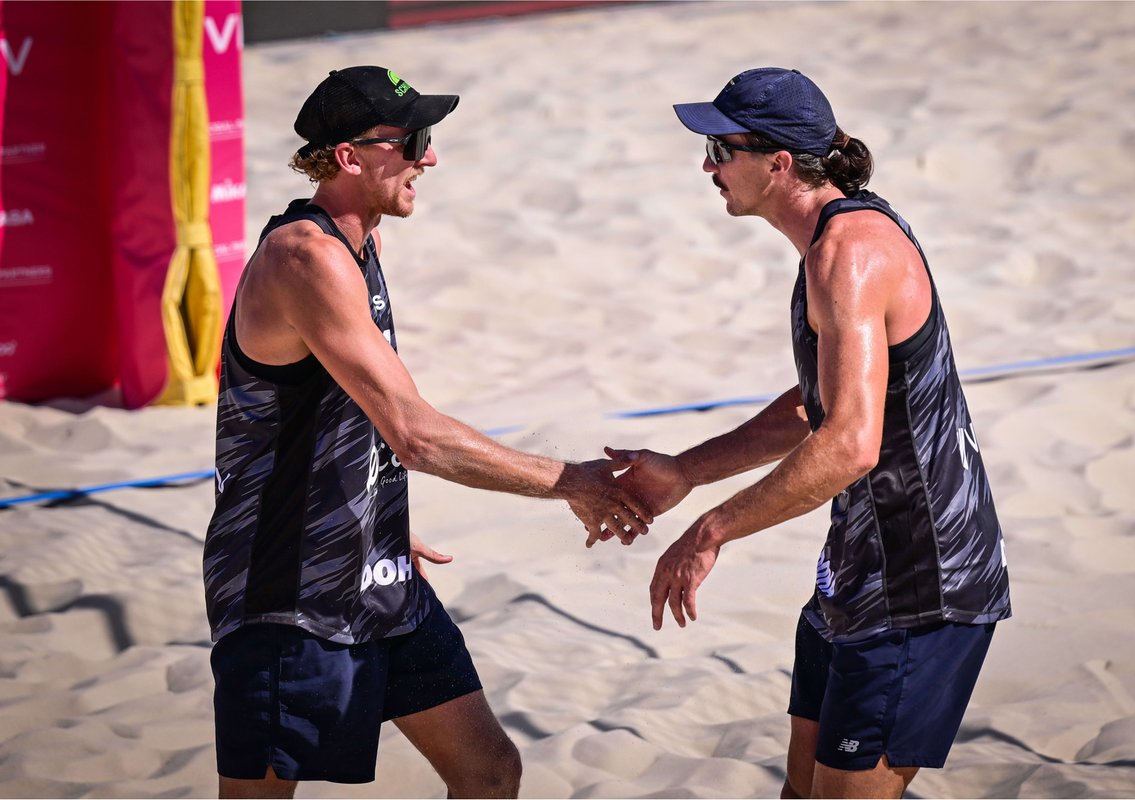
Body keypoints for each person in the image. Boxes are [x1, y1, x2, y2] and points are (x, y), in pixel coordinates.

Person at [201, 65, 651, 799]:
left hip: (374, 569)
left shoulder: (359, 243)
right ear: (349, 157)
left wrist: (366, 504)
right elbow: (417, 434)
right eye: (412, 141)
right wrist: (574, 482)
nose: (428, 158)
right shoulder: (305, 256)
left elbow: (333, 412)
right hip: (287, 592)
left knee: (489, 771)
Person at [604, 67, 1011, 799]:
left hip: (924, 577)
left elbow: (850, 442)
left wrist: (711, 531)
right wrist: (687, 469)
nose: (707, 167)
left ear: (778, 162)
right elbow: (814, 406)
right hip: (857, 566)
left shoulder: (849, 253)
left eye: (720, 150)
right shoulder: (830, 240)